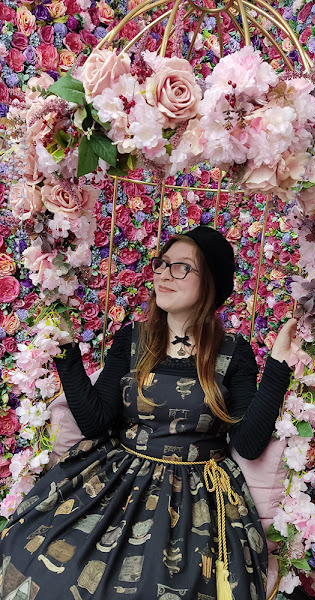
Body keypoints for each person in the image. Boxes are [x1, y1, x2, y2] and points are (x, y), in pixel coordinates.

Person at [0, 226, 295, 600]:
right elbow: (95, 421)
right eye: (161, 264)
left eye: (181, 267)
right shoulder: (132, 339)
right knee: (34, 555)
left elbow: (248, 444)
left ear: (211, 283)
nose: (163, 274)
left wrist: (278, 368)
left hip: (200, 496)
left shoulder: (233, 353)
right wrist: (67, 351)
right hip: (118, 478)